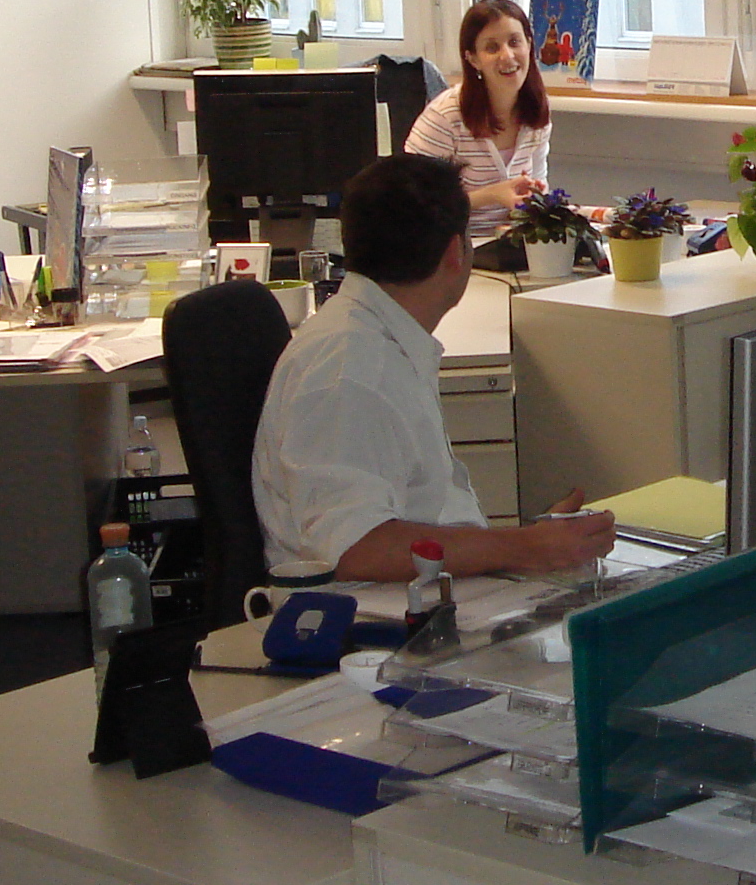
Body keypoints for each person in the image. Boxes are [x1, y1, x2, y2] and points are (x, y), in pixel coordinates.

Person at [253, 152, 614, 582]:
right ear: (456, 252)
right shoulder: (350, 370)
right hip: (370, 609)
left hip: (417, 589)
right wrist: (527, 548)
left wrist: (531, 544)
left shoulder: (378, 338)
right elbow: (354, 549)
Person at [403, 0, 551, 239]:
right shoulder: (444, 117)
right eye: (492, 48)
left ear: (529, 45)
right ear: (473, 59)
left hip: (512, 244)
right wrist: (492, 195)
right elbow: (413, 207)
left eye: (515, 42)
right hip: (452, 249)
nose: (507, 56)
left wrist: (535, 198)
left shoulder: (535, 110)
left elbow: (538, 187)